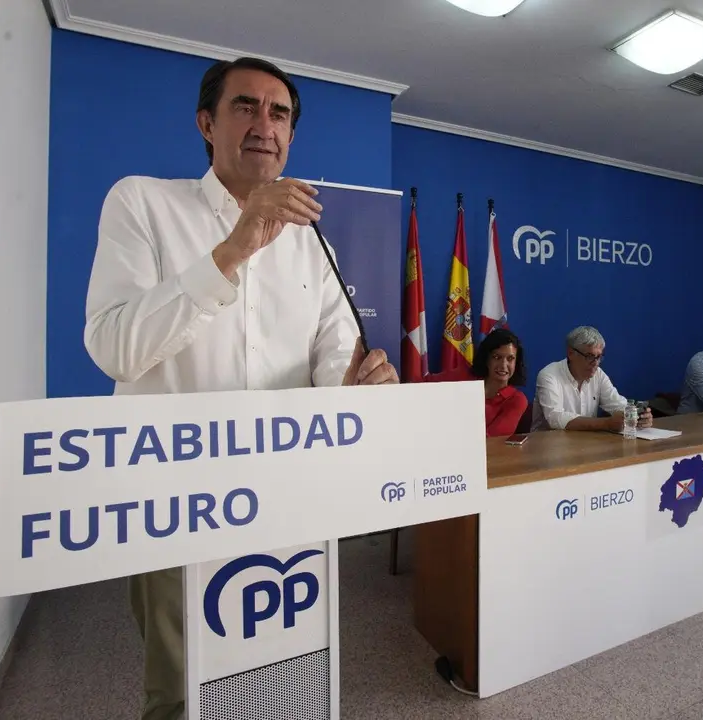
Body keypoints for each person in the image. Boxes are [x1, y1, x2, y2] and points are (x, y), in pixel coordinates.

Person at [83, 57, 398, 720]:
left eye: (279, 113)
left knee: (288, 675)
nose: (265, 124)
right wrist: (233, 248)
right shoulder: (142, 203)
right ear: (207, 123)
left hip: (288, 495)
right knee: (184, 689)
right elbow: (115, 349)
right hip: (175, 502)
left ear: (291, 136)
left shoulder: (313, 243)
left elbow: (333, 361)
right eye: (245, 107)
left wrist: (362, 384)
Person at [531, 326, 652, 432]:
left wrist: (637, 415)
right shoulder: (549, 375)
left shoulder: (598, 375)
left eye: (598, 357)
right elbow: (555, 418)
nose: (595, 363)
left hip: (584, 443)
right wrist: (606, 423)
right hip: (546, 445)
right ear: (571, 353)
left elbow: (617, 404)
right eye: (589, 356)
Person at [426, 328, 529, 437]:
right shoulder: (463, 375)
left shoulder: (517, 400)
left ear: (516, 363)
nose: (503, 365)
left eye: (510, 359)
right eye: (497, 357)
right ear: (486, 359)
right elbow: (423, 385)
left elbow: (492, 438)